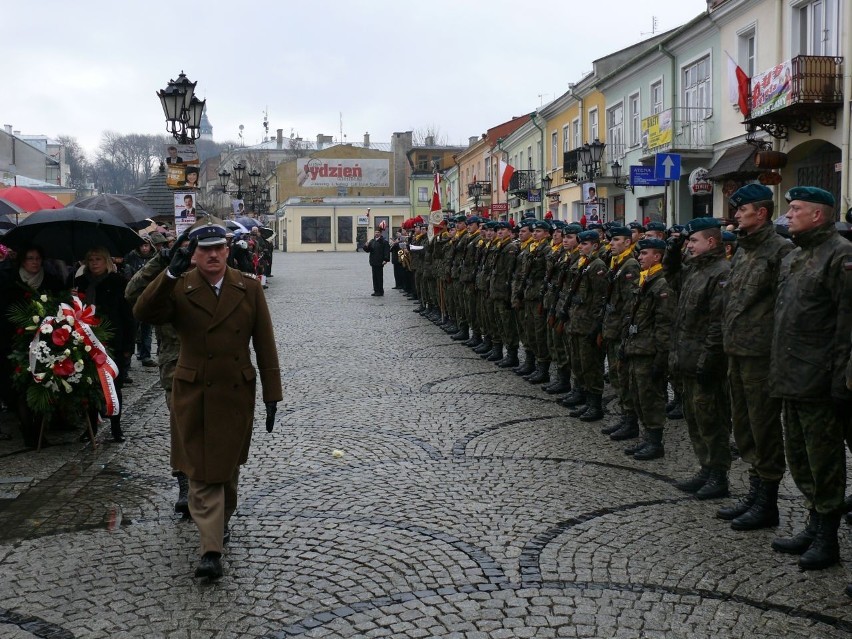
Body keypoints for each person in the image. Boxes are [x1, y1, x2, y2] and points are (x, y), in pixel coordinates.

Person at [133, 223, 282, 580]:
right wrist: (168, 271)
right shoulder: (180, 287)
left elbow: (264, 343)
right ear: (194, 254)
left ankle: (220, 523)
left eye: (219, 248)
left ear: (228, 250)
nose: (213, 255)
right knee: (200, 471)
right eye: (204, 249)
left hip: (234, 391)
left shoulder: (248, 288)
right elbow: (143, 312)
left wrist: (272, 394)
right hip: (193, 390)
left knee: (227, 471)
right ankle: (210, 550)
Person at [769, 186, 852, 571]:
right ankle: (813, 522)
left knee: (825, 461)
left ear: (818, 215)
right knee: (800, 459)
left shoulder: (841, 255)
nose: (788, 216)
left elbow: (846, 325)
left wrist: (839, 381)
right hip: (791, 375)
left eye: (796, 209)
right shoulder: (795, 256)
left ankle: (827, 537)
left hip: (819, 379)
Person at [718, 184, 794, 531]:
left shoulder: (780, 251)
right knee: (744, 425)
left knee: (763, 427)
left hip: (761, 355)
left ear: (760, 213)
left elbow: (783, 309)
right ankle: (755, 489)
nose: (736, 215)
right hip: (737, 350)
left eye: (742, 209)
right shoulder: (745, 250)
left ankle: (768, 501)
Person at [670, 217, 732, 499]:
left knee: (711, 421)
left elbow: (717, 325)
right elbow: (672, 274)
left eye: (693, 241)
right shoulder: (695, 271)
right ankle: (706, 468)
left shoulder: (720, 273)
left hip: (704, 363)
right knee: (694, 419)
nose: (689, 246)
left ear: (711, 242)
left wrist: (708, 362)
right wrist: (673, 248)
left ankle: (718, 475)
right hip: (687, 358)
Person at [0, 245, 66, 446]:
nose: (35, 262)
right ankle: (28, 429)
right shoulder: (8, 280)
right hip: (12, 342)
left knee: (41, 386)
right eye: (30, 258)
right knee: (20, 389)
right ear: (22, 260)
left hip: (45, 342)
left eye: (38, 258)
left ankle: (38, 431)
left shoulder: (51, 281)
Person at [74, 247, 135, 443]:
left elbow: (128, 317)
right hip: (86, 341)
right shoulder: (80, 283)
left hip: (112, 341)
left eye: (98, 259)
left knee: (113, 387)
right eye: (90, 259)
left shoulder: (118, 282)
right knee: (89, 386)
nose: (94, 263)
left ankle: (116, 427)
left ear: (106, 261)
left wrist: (128, 346)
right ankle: (90, 427)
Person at [363, 228, 390, 296]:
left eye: (378, 232)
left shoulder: (384, 242)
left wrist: (385, 259)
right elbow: (368, 250)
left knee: (379, 277)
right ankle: (376, 290)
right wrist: (366, 246)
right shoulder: (372, 241)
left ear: (380, 233)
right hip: (373, 261)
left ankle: (380, 291)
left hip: (380, 261)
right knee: (374, 277)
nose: (376, 233)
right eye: (375, 232)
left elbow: (386, 251)